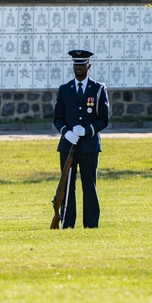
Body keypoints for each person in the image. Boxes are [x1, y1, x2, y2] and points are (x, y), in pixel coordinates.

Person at [52, 49, 110, 229]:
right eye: (76, 64)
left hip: (89, 145)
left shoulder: (98, 89)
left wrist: (87, 131)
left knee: (89, 185)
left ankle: (91, 224)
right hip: (68, 145)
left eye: (82, 64)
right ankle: (68, 223)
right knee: (67, 185)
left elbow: (104, 119)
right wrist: (66, 132)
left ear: (89, 65)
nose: (79, 67)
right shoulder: (64, 89)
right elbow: (57, 118)